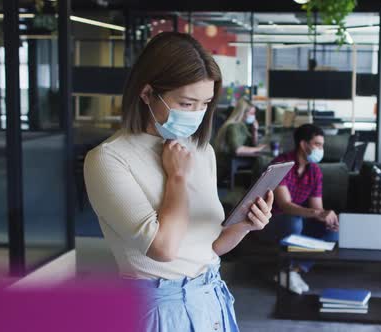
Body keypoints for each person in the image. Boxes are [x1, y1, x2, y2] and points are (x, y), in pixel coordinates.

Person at [83, 32, 274, 332]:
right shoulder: (108, 159)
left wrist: (247, 223)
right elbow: (164, 249)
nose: (197, 114)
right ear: (147, 93)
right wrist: (177, 177)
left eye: (205, 103)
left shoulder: (202, 151)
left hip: (211, 295)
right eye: (186, 103)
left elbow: (212, 247)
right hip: (158, 308)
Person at [260, 124, 339, 295]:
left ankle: (292, 271)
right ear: (303, 145)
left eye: (322, 145)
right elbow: (285, 205)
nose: (321, 149)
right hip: (269, 221)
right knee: (294, 222)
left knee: (332, 230)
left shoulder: (315, 171)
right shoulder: (280, 165)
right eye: (317, 144)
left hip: (297, 220)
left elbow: (317, 208)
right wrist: (318, 213)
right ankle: (286, 270)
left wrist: (326, 217)